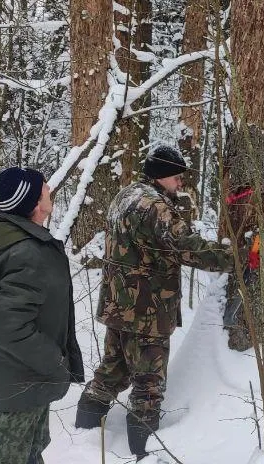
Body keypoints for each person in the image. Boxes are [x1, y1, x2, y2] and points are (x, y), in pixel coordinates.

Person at [74, 145, 234, 460]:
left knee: (111, 371)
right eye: (177, 178)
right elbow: (189, 248)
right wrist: (237, 259)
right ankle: (143, 452)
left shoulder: (127, 196)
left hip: (119, 305)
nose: (180, 184)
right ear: (161, 176)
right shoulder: (156, 207)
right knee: (148, 386)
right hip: (145, 311)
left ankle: (82, 437)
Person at [0, 167, 84, 464]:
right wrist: (54, 361)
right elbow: (9, 325)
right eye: (44, 188)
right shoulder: (27, 252)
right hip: (25, 376)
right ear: (33, 202)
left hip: (24, 374)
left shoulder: (14, 239)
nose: (49, 190)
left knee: (30, 451)